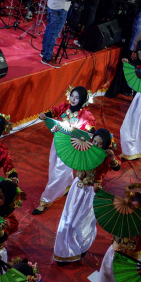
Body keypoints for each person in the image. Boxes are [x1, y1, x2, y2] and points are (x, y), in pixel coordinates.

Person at [53, 129, 120, 265]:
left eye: (99, 144)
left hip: (91, 192)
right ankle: (64, 252)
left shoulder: (105, 157)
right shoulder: (84, 148)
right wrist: (58, 131)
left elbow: (117, 167)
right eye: (94, 141)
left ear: (105, 145)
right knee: (67, 220)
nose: (95, 145)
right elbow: (71, 136)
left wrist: (112, 159)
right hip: (76, 188)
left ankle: (80, 247)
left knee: (80, 223)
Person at [33, 86, 96, 215]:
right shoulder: (64, 107)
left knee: (58, 171)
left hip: (70, 148)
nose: (73, 99)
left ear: (83, 99)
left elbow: (91, 131)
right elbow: (53, 112)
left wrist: (91, 135)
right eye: (72, 95)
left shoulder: (86, 115)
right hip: (57, 142)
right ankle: (67, 185)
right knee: (53, 166)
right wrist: (44, 115)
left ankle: (45, 200)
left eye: (77, 97)